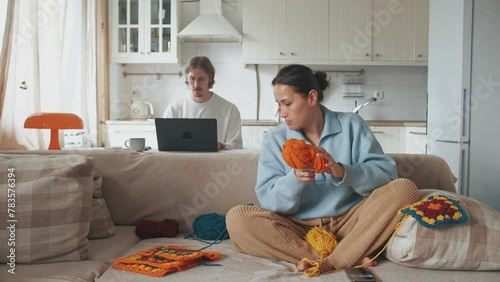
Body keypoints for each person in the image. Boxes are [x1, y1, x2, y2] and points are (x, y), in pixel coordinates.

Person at [225, 64, 419, 273]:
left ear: (311, 98)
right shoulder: (275, 138)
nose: (281, 113)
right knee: (237, 218)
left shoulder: (351, 124)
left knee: (404, 188)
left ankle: (334, 260)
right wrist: (294, 180)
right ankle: (345, 254)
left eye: (287, 103)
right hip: (298, 228)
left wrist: (344, 172)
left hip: (351, 221)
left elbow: (387, 175)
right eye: (279, 105)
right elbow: (269, 201)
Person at [162, 56, 243, 150]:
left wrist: (221, 145)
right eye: (192, 79)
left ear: (210, 78)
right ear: (187, 78)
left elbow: (237, 145)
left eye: (201, 79)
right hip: (182, 163)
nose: (196, 85)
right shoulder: (173, 110)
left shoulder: (230, 110)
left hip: (217, 163)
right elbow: (165, 145)